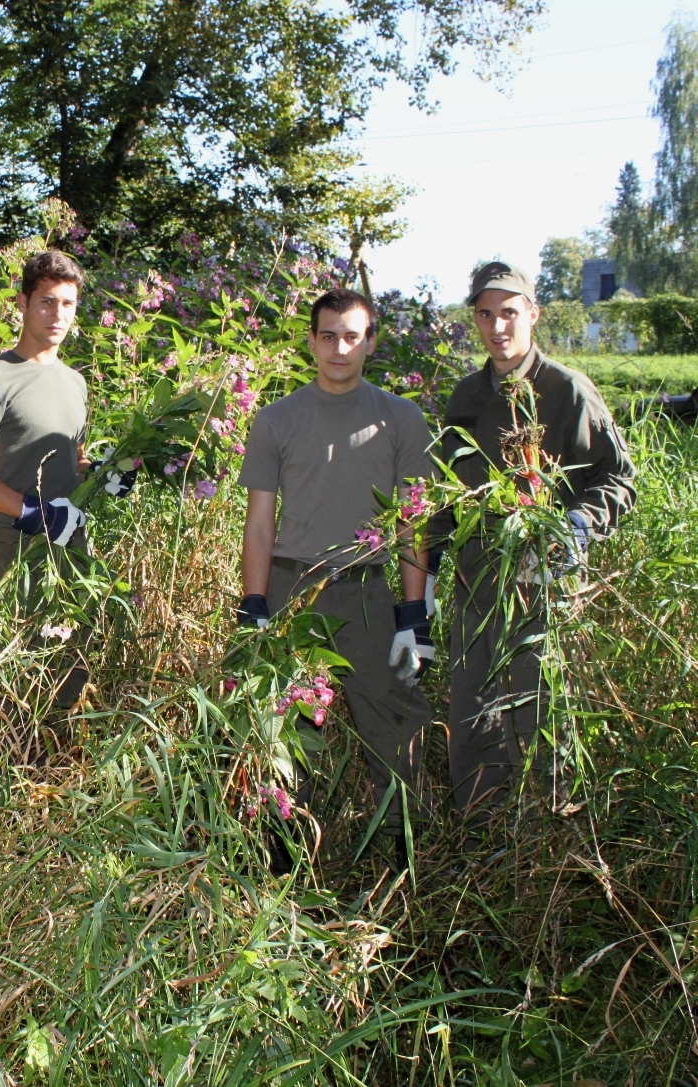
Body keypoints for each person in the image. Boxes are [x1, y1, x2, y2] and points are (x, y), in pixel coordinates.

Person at [426, 261, 637, 820]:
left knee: (541, 713)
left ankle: (548, 840)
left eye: (509, 313)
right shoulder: (467, 396)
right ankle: (480, 836)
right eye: (485, 314)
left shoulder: (567, 391)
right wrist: (423, 582)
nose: (497, 327)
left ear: (533, 314)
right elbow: (449, 493)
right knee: (473, 714)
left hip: (542, 583)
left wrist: (575, 529)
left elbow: (619, 479)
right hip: (476, 585)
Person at [237, 287, 434, 865]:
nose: (339, 349)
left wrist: (413, 616)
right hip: (291, 590)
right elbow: (259, 523)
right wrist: (254, 602)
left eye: (352, 336)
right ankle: (280, 860)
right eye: (328, 336)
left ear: (370, 342)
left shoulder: (401, 418)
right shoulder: (277, 419)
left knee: (395, 719)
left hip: (366, 593)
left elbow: (413, 522)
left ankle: (405, 858)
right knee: (280, 725)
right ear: (312, 341)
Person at [0, 249, 134, 707]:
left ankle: (56, 747)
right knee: (8, 670)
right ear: (23, 303)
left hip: (72, 540)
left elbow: (72, 459)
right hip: (16, 543)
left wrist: (106, 474)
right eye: (47, 302)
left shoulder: (75, 382)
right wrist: (33, 513)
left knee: (71, 665)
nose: (58, 314)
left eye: (68, 304)